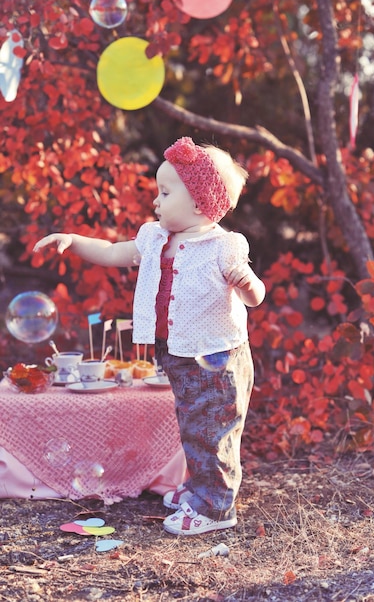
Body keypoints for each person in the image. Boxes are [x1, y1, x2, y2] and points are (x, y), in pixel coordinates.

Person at [33, 136, 266, 536]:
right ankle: (198, 488)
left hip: (216, 357)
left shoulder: (222, 247)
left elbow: (254, 297)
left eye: (164, 192)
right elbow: (110, 251)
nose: (155, 201)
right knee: (191, 425)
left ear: (197, 202)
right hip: (178, 354)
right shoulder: (156, 238)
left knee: (213, 429)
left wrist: (247, 282)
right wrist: (73, 242)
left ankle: (216, 508)